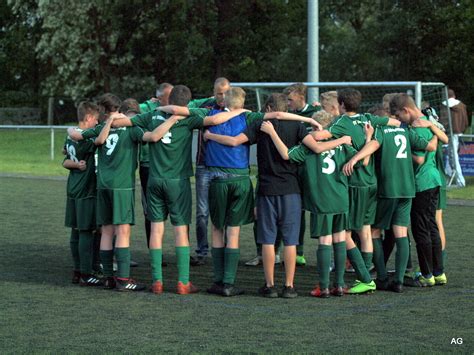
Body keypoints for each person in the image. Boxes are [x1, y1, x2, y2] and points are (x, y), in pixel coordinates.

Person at [110, 85, 250, 295]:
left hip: (154, 179)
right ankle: (183, 282)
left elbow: (121, 122)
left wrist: (114, 116)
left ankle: (157, 281)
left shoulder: (153, 114)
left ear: (168, 99)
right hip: (178, 181)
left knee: (156, 230)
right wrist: (241, 110)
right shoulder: (189, 117)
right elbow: (214, 120)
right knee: (180, 230)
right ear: (188, 101)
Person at [204, 93, 329, 299]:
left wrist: (211, 136)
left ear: (269, 108)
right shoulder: (297, 127)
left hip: (266, 190)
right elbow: (314, 144)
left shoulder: (260, 125)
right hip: (291, 190)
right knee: (290, 241)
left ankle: (269, 285)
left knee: (268, 241)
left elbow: (235, 141)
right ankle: (289, 286)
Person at [68, 93, 176, 292]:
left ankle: (108, 276)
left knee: (107, 231)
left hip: (103, 185)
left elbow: (76, 134)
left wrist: (70, 129)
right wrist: (173, 119)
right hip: (122, 186)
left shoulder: (102, 127)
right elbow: (153, 136)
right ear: (121, 110)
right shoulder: (131, 128)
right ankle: (124, 279)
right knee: (123, 230)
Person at [312, 88, 401, 293]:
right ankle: (367, 274)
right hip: (372, 182)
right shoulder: (369, 118)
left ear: (342, 105)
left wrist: (309, 130)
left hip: (355, 183)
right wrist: (371, 138)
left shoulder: (341, 122)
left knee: (344, 233)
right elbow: (395, 123)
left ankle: (363, 276)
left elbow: (321, 136)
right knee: (366, 230)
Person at [343, 112, 442, 293]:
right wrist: (435, 134)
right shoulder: (406, 131)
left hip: (388, 189)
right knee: (401, 233)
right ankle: (398, 281)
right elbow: (430, 148)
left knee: (374, 231)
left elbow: (373, 145)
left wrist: (355, 157)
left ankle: (381, 277)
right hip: (408, 189)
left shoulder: (380, 131)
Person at [261, 110, 354, 298]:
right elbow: (360, 162)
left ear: (315, 128)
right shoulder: (344, 145)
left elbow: (287, 155)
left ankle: (324, 286)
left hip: (320, 199)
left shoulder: (306, 148)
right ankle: (340, 284)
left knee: (324, 241)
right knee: (340, 239)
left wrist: (273, 133)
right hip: (341, 197)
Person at [390, 93, 447, 287]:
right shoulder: (429, 122)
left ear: (406, 110)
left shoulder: (415, 128)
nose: (398, 120)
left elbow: (420, 158)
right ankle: (439, 272)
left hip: (421, 182)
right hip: (434, 179)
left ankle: (426, 274)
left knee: (421, 228)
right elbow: (440, 140)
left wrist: (402, 148)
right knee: (431, 226)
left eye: (398, 116)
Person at [187, 77, 231, 266]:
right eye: (219, 93)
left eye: (225, 93)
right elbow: (183, 105)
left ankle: (227, 249)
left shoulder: (236, 109)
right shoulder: (203, 106)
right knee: (202, 212)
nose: (222, 97)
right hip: (204, 165)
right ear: (213, 92)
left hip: (225, 166)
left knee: (226, 211)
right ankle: (202, 251)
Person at [283, 83, 321, 266]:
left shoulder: (315, 113)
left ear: (300, 97)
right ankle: (296, 251)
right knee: (294, 211)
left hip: (312, 171)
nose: (288, 103)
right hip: (291, 168)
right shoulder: (285, 114)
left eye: (290, 99)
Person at [63, 101, 101, 286]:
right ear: (88, 118)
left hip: (72, 187)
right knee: (86, 231)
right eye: (95, 119)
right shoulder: (85, 139)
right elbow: (100, 141)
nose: (96, 122)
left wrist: (75, 163)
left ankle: (77, 271)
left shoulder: (70, 137)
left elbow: (65, 159)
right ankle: (86, 274)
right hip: (85, 189)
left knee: (75, 230)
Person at [138, 83, 173, 249]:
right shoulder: (146, 108)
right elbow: (129, 109)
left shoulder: (180, 108)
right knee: (151, 211)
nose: (173, 98)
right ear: (159, 98)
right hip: (149, 165)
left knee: (177, 210)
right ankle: (153, 249)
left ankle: (183, 251)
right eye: (168, 95)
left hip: (172, 167)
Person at [440, 88, 469, 187]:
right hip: (460, 132)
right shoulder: (462, 106)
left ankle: (460, 181)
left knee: (452, 157)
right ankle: (449, 178)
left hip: (450, 134)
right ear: (454, 96)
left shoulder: (445, 105)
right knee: (451, 156)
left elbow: (444, 120)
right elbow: (466, 120)